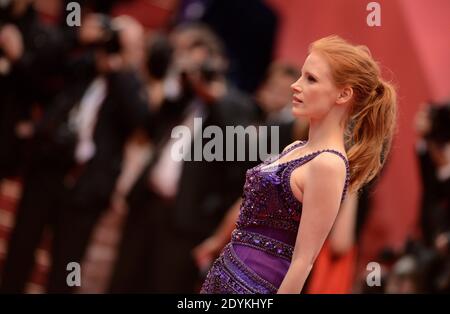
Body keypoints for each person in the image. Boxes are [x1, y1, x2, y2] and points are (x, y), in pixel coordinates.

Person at [200, 35, 397, 294]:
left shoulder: (329, 164)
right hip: (223, 276)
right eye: (301, 76)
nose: (295, 85)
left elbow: (303, 262)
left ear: (344, 93)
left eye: (311, 79)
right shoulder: (295, 148)